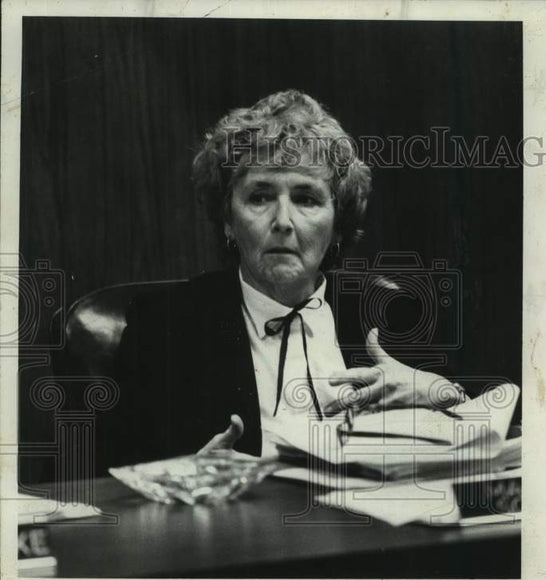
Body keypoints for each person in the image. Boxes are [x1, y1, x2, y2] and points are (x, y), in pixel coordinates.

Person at [106, 89, 462, 468]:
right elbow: (112, 481)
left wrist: (443, 394)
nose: (282, 222)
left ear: (338, 226)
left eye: (306, 199)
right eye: (259, 197)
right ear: (228, 220)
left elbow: (489, 447)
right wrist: (185, 476)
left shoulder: (393, 314)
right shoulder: (164, 326)